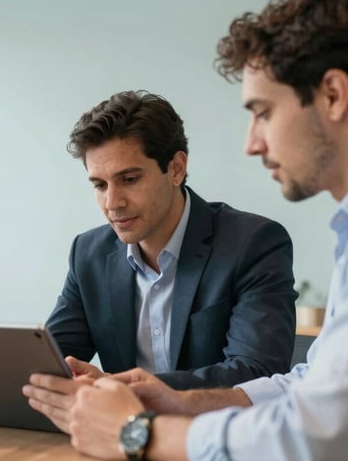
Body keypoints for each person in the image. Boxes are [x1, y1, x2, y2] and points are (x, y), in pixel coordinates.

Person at [29, 0, 348, 461]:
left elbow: (321, 436)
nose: (252, 143)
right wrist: (180, 399)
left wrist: (137, 434)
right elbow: (314, 385)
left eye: (263, 112)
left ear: (334, 95)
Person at [42, 90, 297, 395]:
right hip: (118, 435)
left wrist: (124, 387)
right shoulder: (88, 254)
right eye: (100, 185)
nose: (112, 203)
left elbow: (257, 372)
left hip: (216, 435)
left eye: (129, 179)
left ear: (176, 168)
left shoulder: (253, 244)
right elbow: (48, 364)